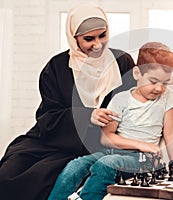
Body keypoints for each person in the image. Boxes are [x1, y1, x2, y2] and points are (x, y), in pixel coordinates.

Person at [0, 2, 135, 200]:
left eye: (102, 36)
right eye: (89, 39)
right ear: (74, 38)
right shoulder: (57, 67)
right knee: (9, 172)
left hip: (100, 142)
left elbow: (137, 103)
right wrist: (87, 115)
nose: (97, 45)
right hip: (55, 140)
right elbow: (48, 117)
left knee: (43, 177)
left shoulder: (122, 62)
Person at [48, 42, 173, 200]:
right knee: (75, 165)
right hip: (113, 152)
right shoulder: (120, 99)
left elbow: (170, 133)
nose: (159, 88)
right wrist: (140, 144)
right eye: (153, 81)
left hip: (144, 159)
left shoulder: (167, 98)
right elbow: (106, 137)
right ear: (137, 73)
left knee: (106, 164)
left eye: (165, 82)